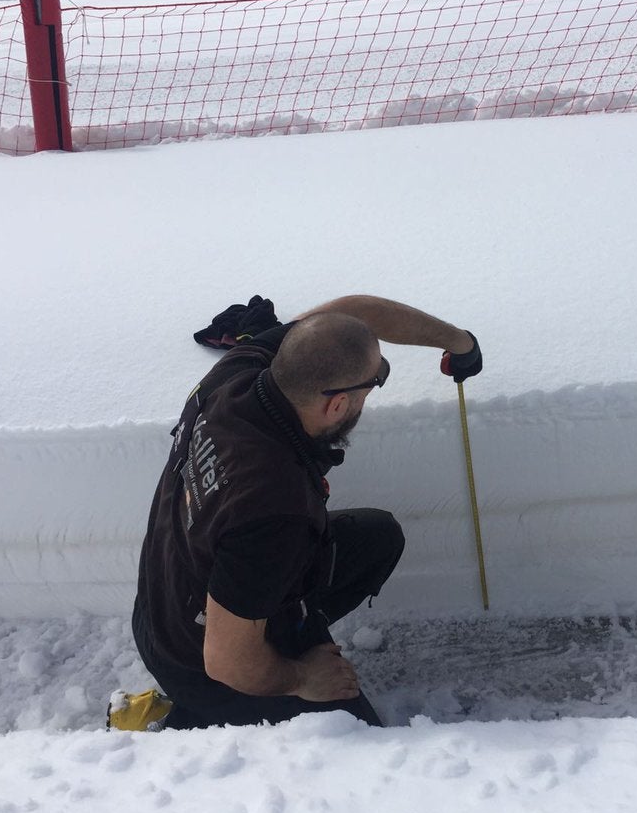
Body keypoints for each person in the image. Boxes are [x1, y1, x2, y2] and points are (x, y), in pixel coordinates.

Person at [130, 295, 482, 729]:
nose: (373, 388)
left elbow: (351, 315)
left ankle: (284, 633)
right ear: (336, 405)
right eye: (376, 382)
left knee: (378, 538)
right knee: (356, 743)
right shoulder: (272, 511)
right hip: (195, 661)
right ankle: (191, 719)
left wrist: (457, 342)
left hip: (161, 599)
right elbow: (226, 661)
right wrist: (301, 677)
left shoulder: (240, 370)